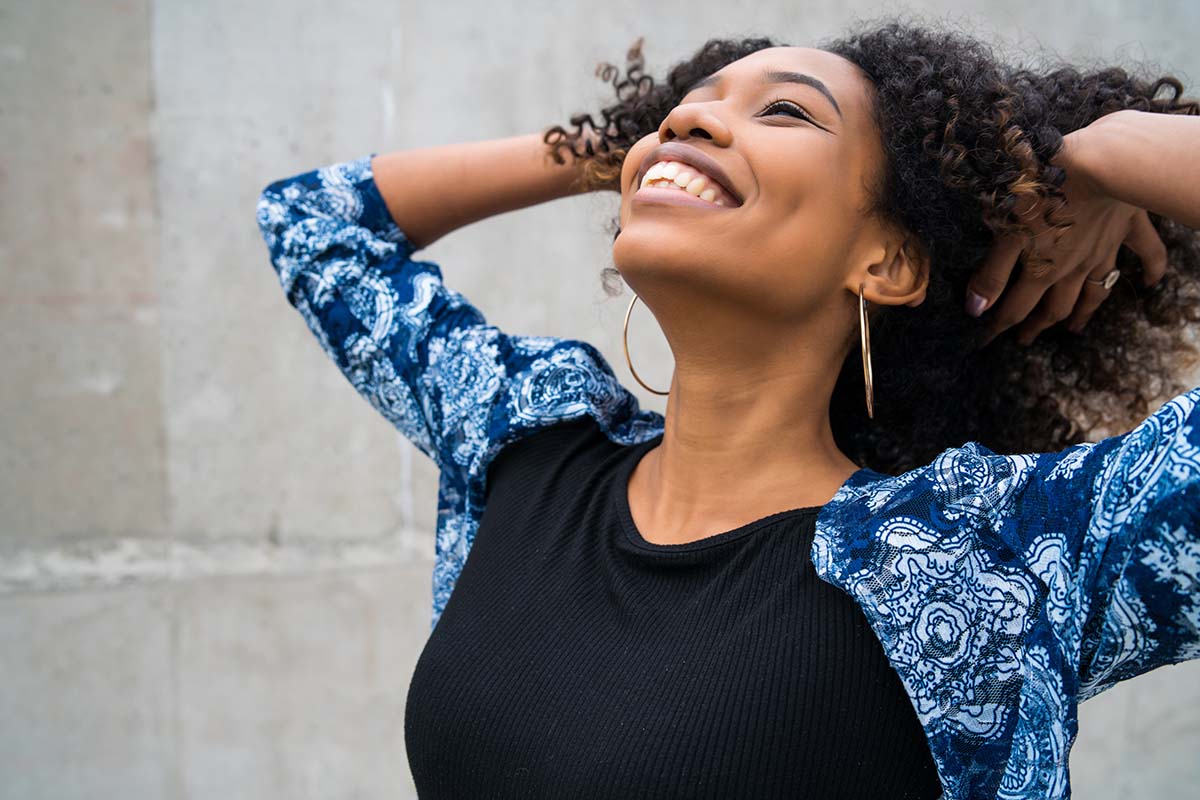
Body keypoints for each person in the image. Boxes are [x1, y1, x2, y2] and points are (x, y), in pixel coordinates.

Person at [254, 17, 1200, 800]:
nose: (687, 127)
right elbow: (310, 222)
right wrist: (627, 147)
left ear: (890, 262)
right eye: (680, 113)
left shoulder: (999, 555)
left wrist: (1098, 152)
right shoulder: (528, 442)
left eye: (786, 111)